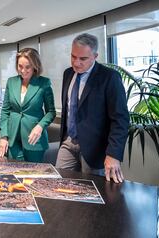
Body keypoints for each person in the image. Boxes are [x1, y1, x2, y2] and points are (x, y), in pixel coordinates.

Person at [56, 33, 129, 183]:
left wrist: (113, 154)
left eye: (83, 58)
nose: (76, 63)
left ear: (95, 56)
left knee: (94, 194)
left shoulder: (109, 77)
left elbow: (120, 119)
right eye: (73, 56)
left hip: (95, 149)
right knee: (58, 184)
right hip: (69, 142)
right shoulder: (68, 74)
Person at [0, 48, 55, 162]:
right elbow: (5, 111)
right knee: (14, 173)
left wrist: (40, 126)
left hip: (34, 139)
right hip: (13, 138)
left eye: (27, 67)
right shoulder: (11, 82)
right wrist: (4, 136)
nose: (23, 71)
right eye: (20, 66)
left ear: (35, 65)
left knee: (33, 176)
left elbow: (51, 111)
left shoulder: (44, 83)